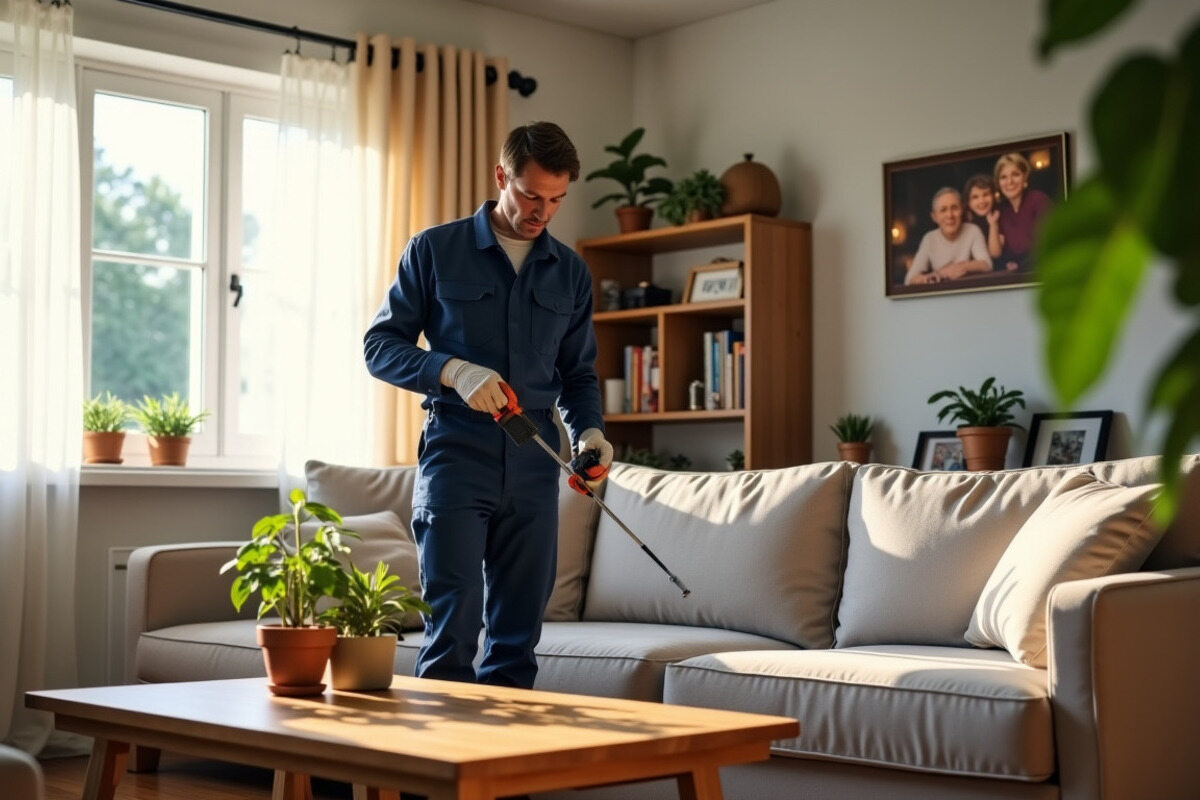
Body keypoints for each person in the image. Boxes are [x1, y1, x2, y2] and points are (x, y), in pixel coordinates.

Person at [363, 121, 612, 690]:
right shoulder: (434, 250)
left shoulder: (570, 271)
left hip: (535, 462)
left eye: (556, 200)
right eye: (530, 195)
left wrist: (592, 433)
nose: (541, 212)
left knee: (517, 642)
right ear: (502, 176)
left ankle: (501, 780)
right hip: (456, 455)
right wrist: (450, 370)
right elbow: (379, 348)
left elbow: (576, 374)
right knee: (451, 633)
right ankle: (435, 779)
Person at [903, 187, 992, 285]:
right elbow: (909, 279)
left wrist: (961, 267)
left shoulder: (973, 230)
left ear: (961, 210)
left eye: (954, 208)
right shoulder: (929, 239)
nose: (949, 215)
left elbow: (987, 265)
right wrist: (940, 274)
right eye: (943, 210)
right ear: (935, 217)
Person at [993, 152, 1053, 272]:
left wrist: (1020, 266)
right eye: (1003, 177)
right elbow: (998, 255)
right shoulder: (1002, 211)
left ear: (1025, 176)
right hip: (1016, 279)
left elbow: (1048, 245)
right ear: (998, 183)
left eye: (1015, 174)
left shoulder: (1038, 200)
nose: (1009, 181)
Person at [963, 173, 1004, 263]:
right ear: (968, 202)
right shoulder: (964, 221)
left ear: (993, 196)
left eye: (985, 195)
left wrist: (993, 225)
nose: (981, 201)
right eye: (975, 197)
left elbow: (995, 254)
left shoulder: (1000, 215)